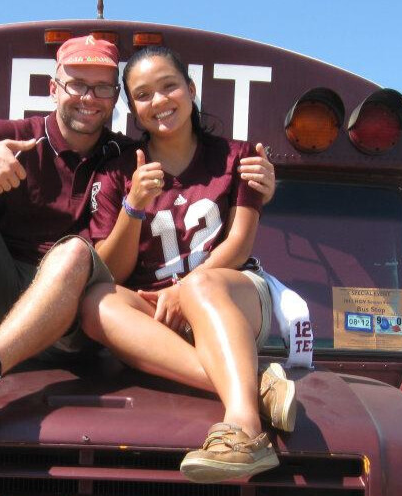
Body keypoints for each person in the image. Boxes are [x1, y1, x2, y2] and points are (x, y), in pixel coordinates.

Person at [0, 35, 278, 425]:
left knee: (76, 252)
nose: (89, 98)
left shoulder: (126, 158)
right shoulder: (22, 137)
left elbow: (131, 257)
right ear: (53, 89)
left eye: (102, 88)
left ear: (116, 100)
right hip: (0, 297)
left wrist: (260, 188)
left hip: (71, 314)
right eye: (77, 84)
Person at [80, 45, 293, 483]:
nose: (158, 101)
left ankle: (245, 430)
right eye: (143, 95)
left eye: (169, 86)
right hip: (162, 315)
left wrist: (184, 288)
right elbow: (112, 271)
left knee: (202, 286)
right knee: (95, 301)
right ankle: (254, 383)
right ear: (132, 109)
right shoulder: (118, 171)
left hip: (232, 297)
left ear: (191, 89)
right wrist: (134, 206)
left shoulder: (238, 156)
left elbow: (238, 244)